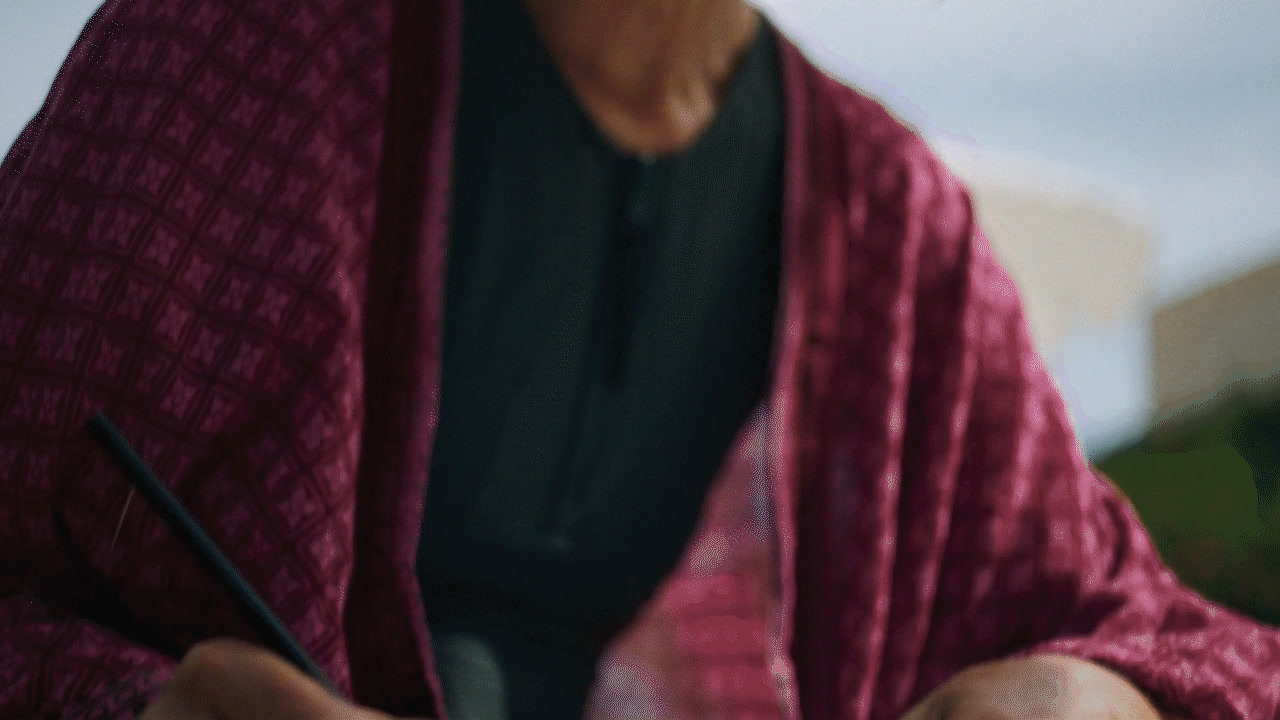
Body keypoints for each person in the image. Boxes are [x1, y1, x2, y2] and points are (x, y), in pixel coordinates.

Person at [0, 0, 1276, 718]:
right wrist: (148, 707)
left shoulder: (892, 235)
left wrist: (1093, 703)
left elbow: (1186, 646)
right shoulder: (233, 52)